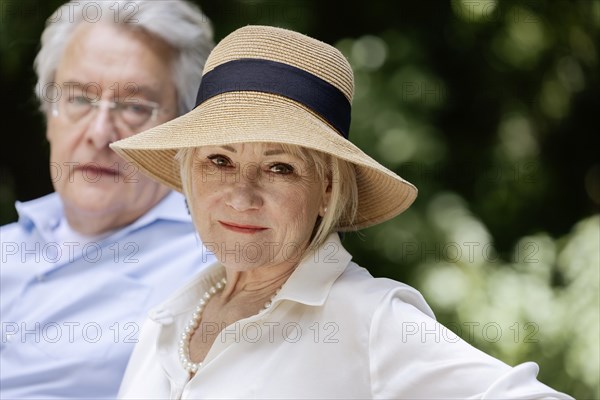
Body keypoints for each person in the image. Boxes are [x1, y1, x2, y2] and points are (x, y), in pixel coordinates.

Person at [111, 25, 573, 399]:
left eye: (279, 167)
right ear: (190, 171)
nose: (241, 195)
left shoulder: (368, 318)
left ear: (327, 188)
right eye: (219, 160)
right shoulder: (167, 319)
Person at [0, 1, 215, 398]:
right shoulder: (6, 246)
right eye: (79, 99)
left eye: (135, 107)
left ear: (182, 130)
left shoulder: (216, 266)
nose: (100, 133)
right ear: (48, 114)